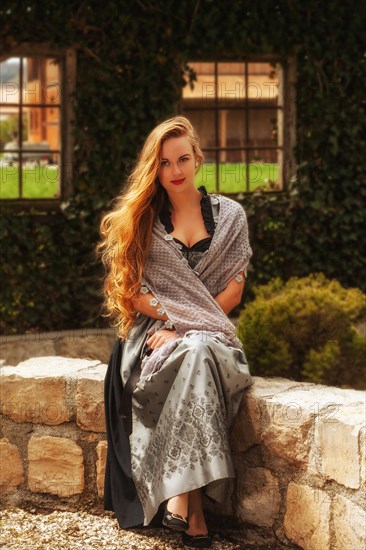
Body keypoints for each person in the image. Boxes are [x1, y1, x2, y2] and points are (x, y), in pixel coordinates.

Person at [97, 116, 254, 548]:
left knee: (199, 348)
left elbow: (233, 293)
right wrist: (178, 327)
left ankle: (180, 498)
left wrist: (183, 328)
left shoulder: (230, 218)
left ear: (197, 158)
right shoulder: (144, 223)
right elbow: (131, 296)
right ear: (155, 168)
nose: (176, 170)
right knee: (196, 351)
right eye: (165, 162)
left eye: (183, 158)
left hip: (209, 336)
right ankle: (194, 512)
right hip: (151, 342)